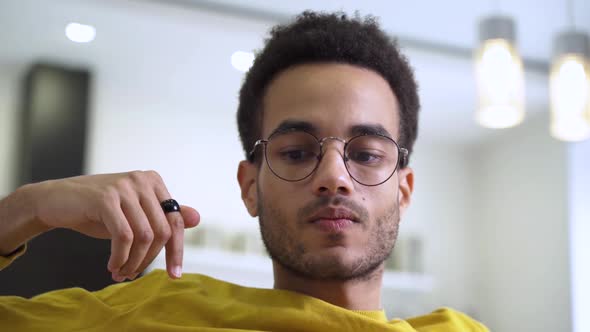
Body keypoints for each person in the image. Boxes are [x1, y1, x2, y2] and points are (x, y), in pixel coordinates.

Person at [0, 11, 489, 331]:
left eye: (366, 154)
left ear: (404, 190)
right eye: (297, 152)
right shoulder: (147, 317)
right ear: (249, 186)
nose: (335, 176)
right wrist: (27, 207)